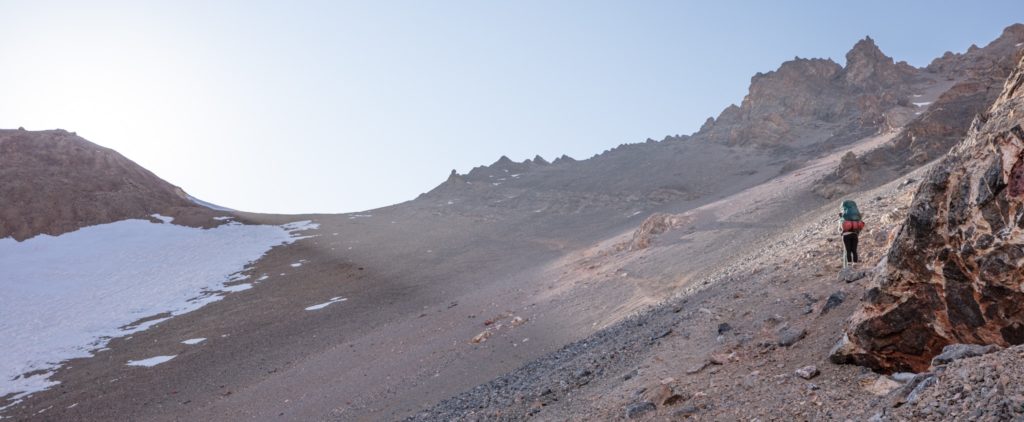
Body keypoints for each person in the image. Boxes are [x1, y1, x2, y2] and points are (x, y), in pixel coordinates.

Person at [839, 200, 864, 268]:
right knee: (854, 250)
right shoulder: (856, 217)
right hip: (855, 235)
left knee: (848, 250)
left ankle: (849, 265)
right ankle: (855, 264)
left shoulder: (843, 217)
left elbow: (840, 228)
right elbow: (860, 226)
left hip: (846, 235)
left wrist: (841, 232)